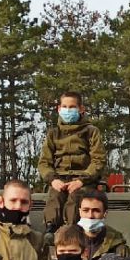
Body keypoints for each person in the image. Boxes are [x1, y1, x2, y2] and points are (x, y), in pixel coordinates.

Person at [38, 91, 106, 231]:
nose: (68, 110)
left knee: (76, 198)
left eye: (72, 107)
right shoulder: (53, 133)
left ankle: (71, 230)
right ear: (59, 109)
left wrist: (81, 180)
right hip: (59, 179)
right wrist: (53, 180)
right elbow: (44, 162)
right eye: (65, 106)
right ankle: (50, 228)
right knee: (54, 198)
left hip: (83, 180)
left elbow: (98, 160)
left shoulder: (90, 132)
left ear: (81, 109)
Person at [76, 188, 130, 260]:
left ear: (105, 214)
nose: (90, 215)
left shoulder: (119, 250)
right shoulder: (66, 245)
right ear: (80, 212)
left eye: (96, 211)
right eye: (85, 210)